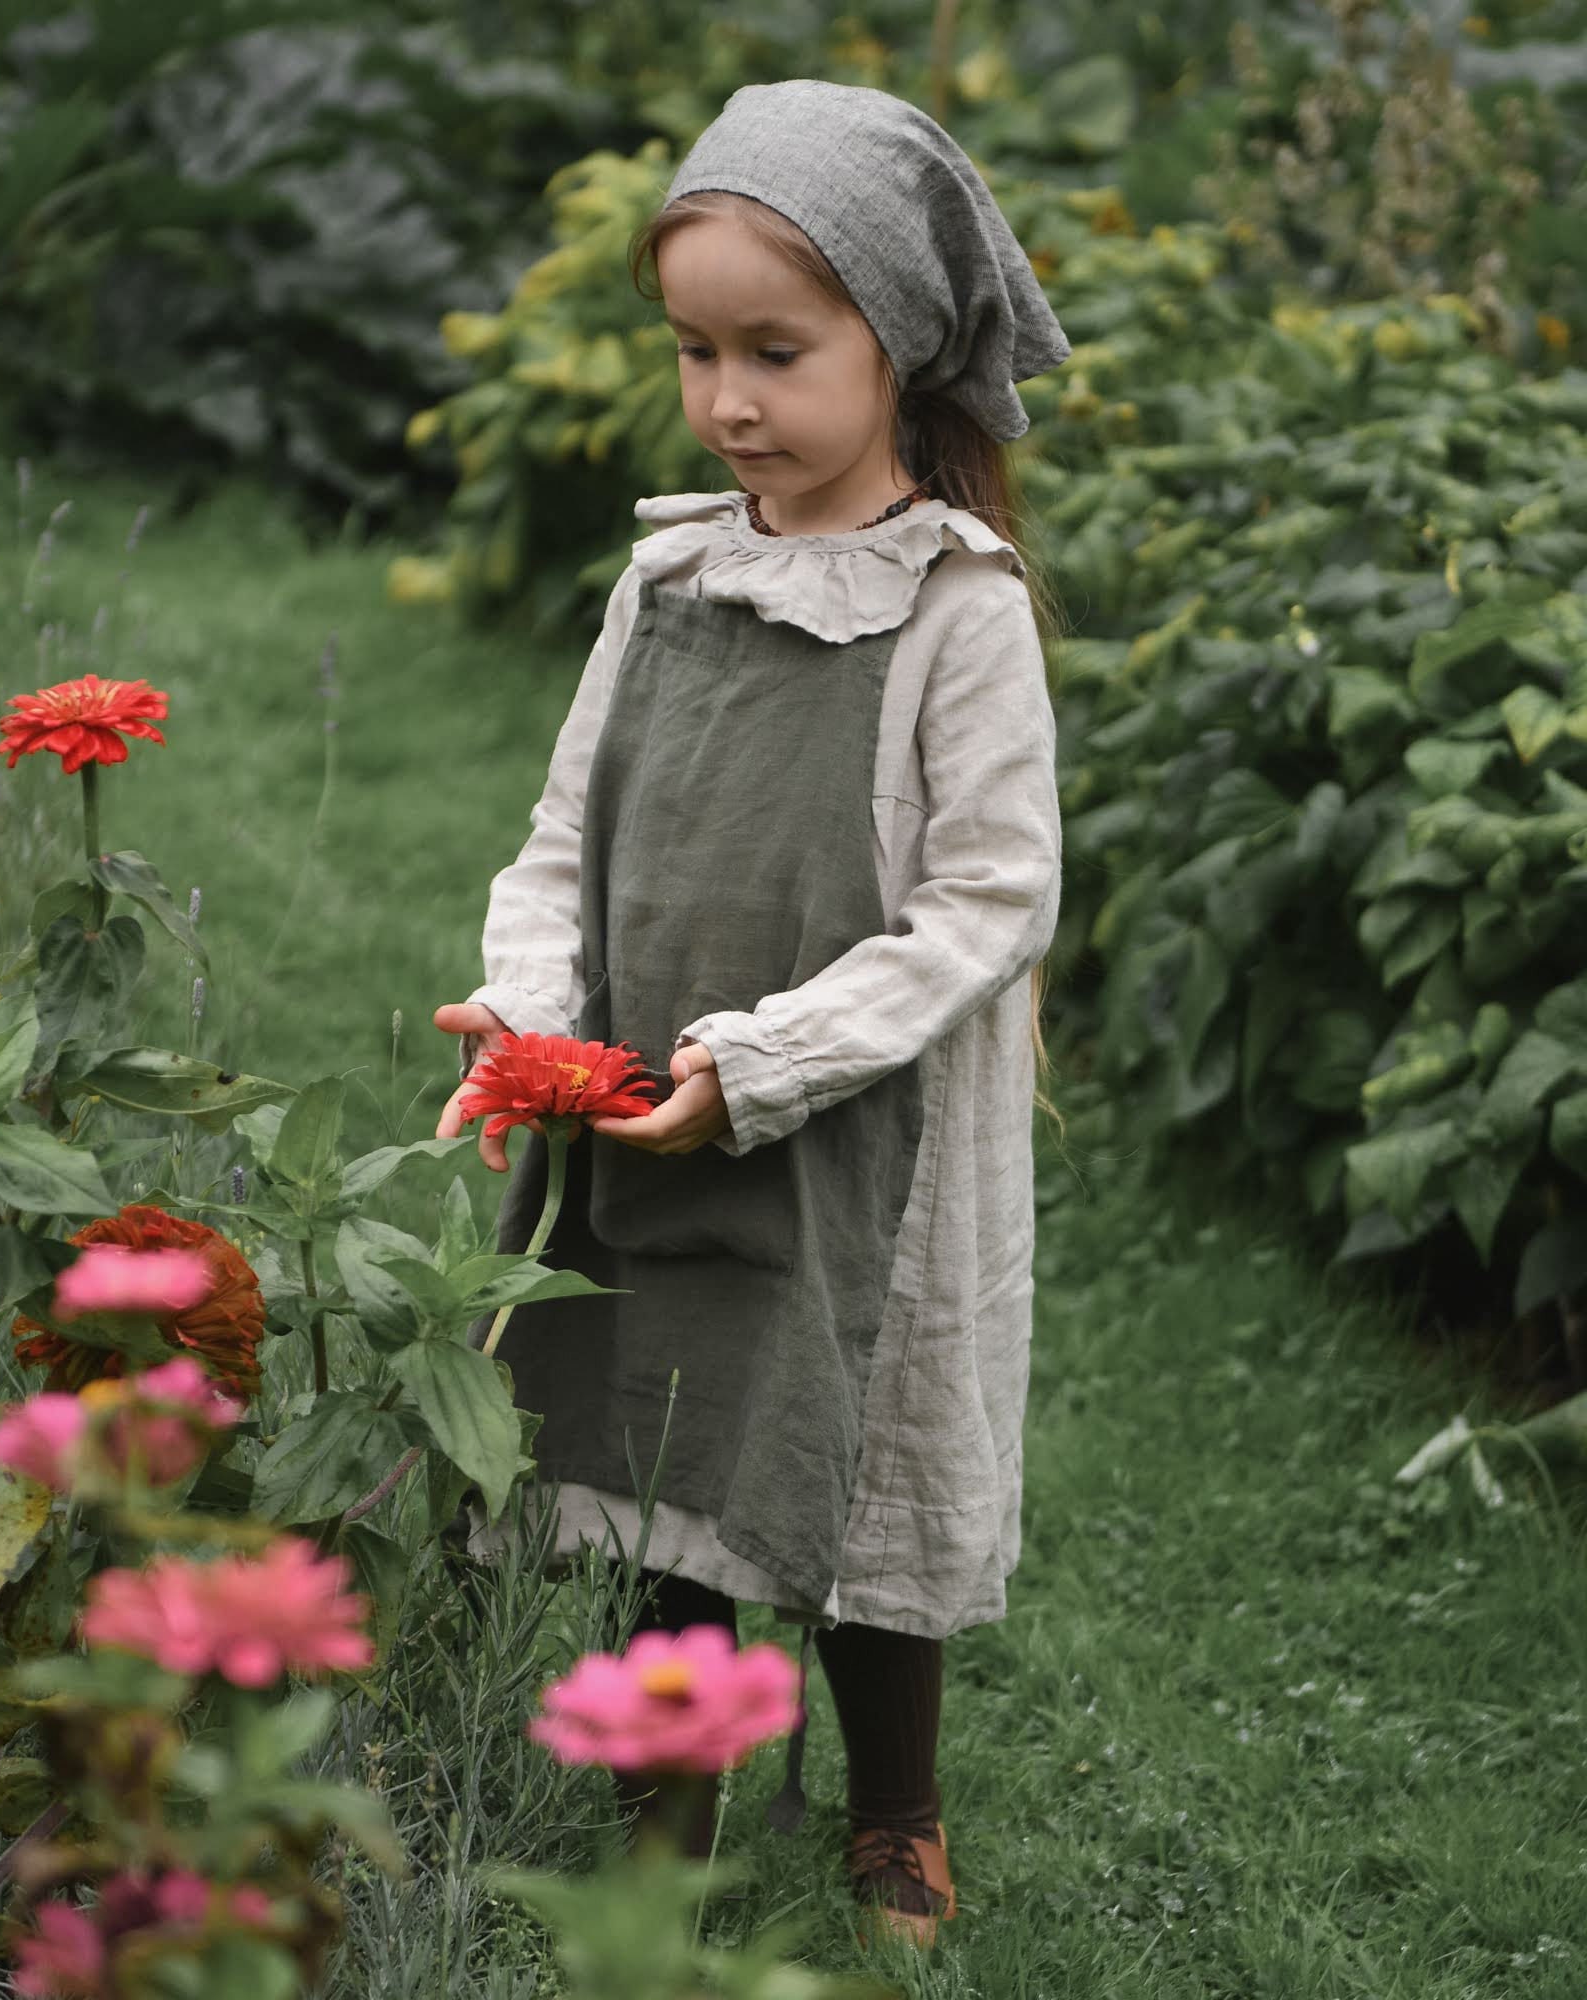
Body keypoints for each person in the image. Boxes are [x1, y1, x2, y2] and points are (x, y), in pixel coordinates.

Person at [431, 77, 1068, 1952]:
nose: (726, 400)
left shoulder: (961, 611)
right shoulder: (667, 577)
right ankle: (658, 1844)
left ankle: (896, 1816)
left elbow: (991, 895)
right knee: (666, 1457)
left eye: (775, 352)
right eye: (696, 351)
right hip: (643, 1107)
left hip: (861, 1130)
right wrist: (537, 1011)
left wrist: (768, 1061)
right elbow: (564, 835)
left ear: (902, 345)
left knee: (866, 1479)